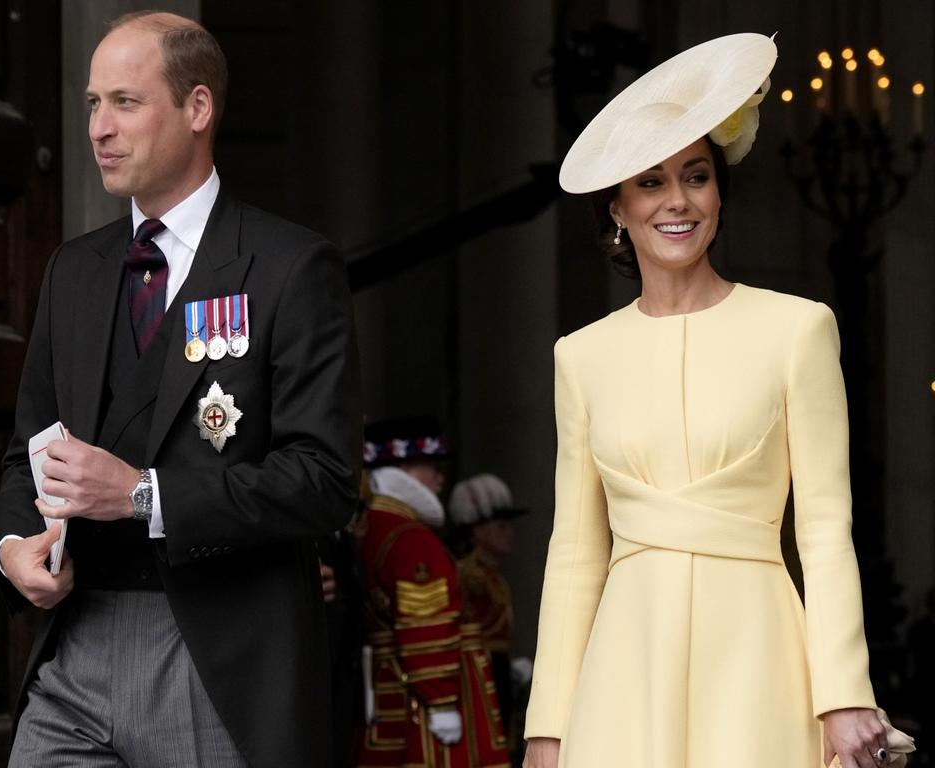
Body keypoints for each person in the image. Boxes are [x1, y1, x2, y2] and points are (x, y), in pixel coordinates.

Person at [0, 11, 361, 768]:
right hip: (74, 652)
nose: (99, 127)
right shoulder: (74, 269)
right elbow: (20, 455)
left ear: (198, 108)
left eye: (125, 102)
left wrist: (145, 496)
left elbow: (324, 481)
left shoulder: (290, 266)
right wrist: (11, 549)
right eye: (93, 103)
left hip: (216, 660)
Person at [522, 33, 891, 768]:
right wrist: (548, 729)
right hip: (625, 665)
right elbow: (575, 553)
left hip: (759, 654)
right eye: (651, 183)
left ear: (719, 193)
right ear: (617, 212)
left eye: (696, 176)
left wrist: (844, 692)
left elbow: (824, 527)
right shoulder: (581, 356)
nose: (678, 200)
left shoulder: (798, 329)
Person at [354, 418, 509, 768]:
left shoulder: (373, 526)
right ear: (405, 467)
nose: (440, 478)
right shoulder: (410, 537)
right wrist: (440, 702)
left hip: (389, 688)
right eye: (432, 467)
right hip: (423, 706)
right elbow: (425, 625)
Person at [448, 474, 526, 745]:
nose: (509, 532)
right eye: (500, 525)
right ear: (477, 530)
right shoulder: (468, 574)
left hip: (498, 668)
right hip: (478, 672)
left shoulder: (492, 575)